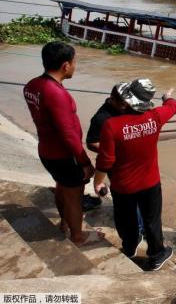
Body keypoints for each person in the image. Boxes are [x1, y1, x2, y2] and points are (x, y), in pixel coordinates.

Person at [93, 79, 176, 271]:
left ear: (127, 99)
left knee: (125, 219)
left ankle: (129, 247)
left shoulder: (111, 125)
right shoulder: (156, 116)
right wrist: (167, 98)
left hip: (123, 186)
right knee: (152, 219)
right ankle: (157, 255)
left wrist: (98, 182)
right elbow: (173, 106)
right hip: (150, 182)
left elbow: (105, 161)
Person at [23, 41, 100, 246]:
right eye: (74, 62)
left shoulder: (32, 85)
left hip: (46, 150)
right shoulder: (56, 93)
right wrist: (84, 161)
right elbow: (67, 134)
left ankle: (65, 223)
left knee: (61, 187)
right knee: (74, 196)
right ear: (65, 65)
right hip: (64, 154)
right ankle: (78, 236)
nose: (75, 66)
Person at [86, 83, 146, 236]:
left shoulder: (127, 107)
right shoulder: (101, 118)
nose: (126, 107)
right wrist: (112, 150)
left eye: (128, 104)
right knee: (128, 195)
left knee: (140, 193)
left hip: (134, 160)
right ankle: (137, 228)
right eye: (122, 105)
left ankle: (136, 221)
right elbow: (91, 142)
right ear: (112, 99)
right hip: (117, 163)